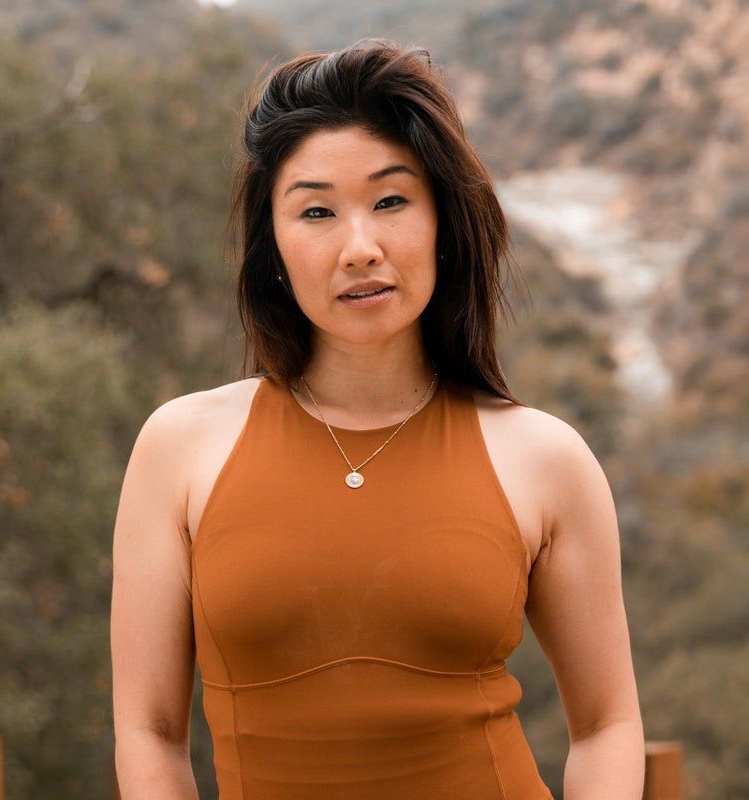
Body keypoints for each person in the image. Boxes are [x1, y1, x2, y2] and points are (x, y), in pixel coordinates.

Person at [110, 37, 645, 800]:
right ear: (275, 247)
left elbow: (607, 726)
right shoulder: (182, 447)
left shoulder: (545, 458)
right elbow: (150, 735)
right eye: (317, 210)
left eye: (391, 201)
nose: (360, 248)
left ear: (441, 222)